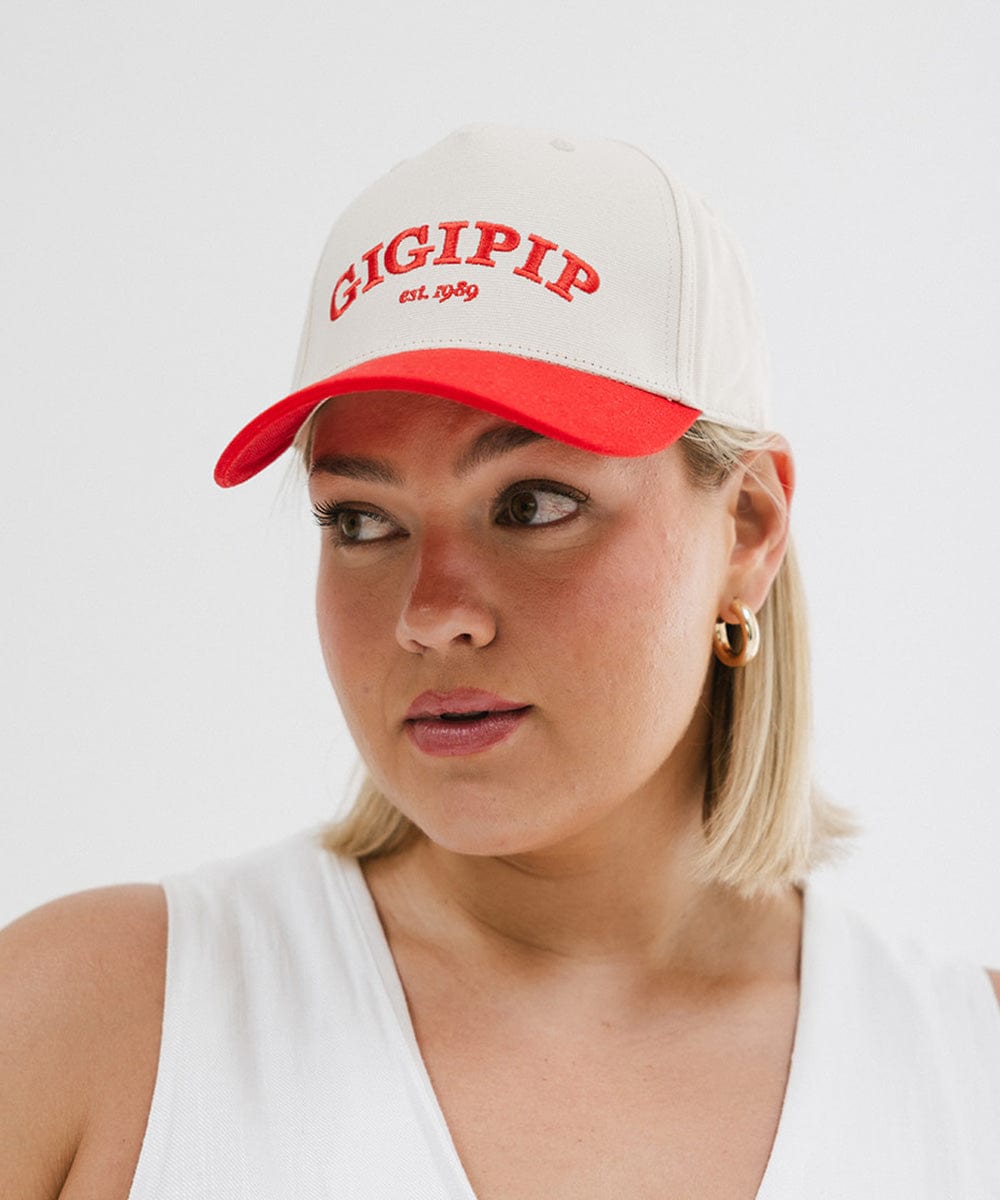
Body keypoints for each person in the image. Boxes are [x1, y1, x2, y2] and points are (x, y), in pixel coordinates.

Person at [2, 125, 998, 1199]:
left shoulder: (965, 1075)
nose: (431, 617)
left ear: (748, 527)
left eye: (531, 505)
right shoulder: (87, 1025)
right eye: (361, 519)